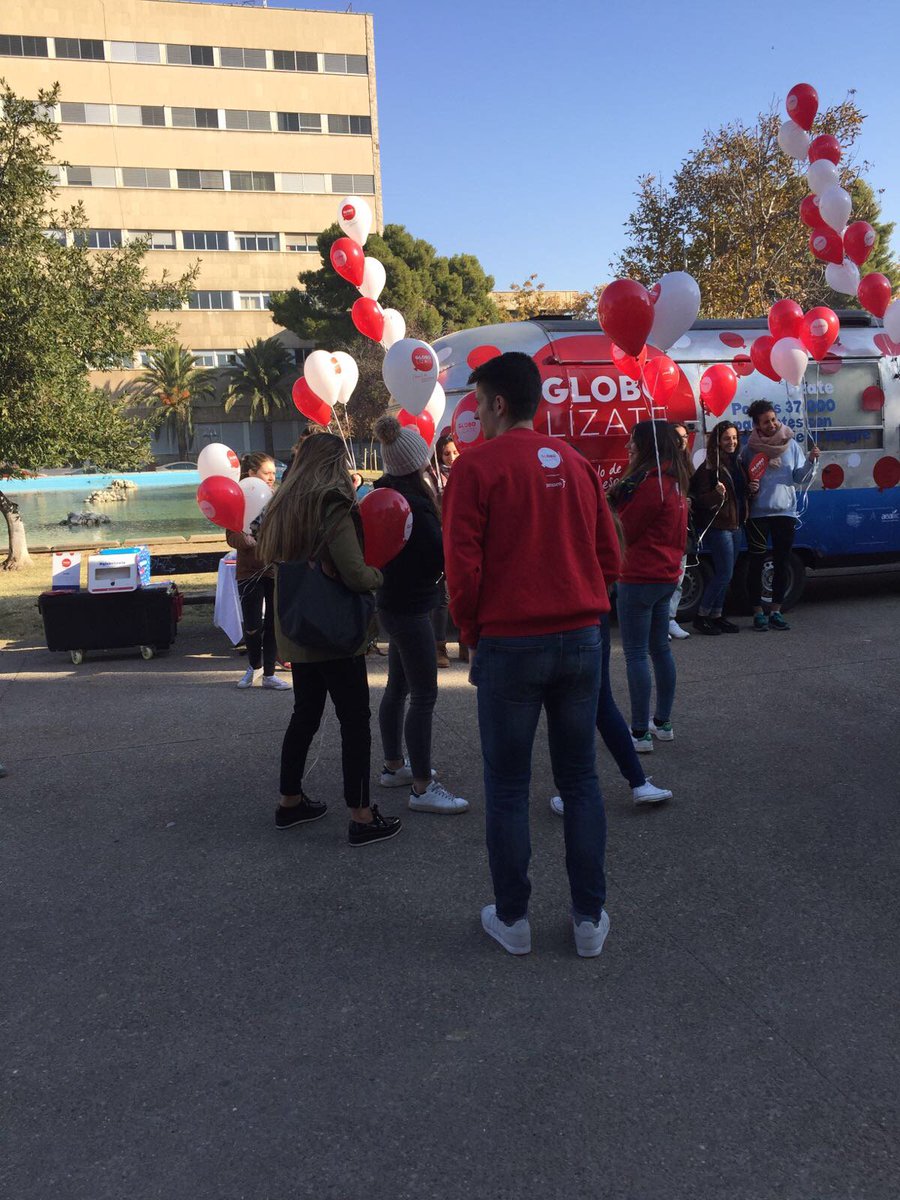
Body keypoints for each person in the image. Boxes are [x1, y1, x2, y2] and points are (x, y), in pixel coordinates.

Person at [443, 351, 621, 958]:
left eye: (478, 402)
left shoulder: (475, 469)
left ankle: (514, 918)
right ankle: (588, 920)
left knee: (508, 786)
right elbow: (610, 557)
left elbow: (462, 566)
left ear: (497, 402)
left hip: (511, 642)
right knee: (581, 780)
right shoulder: (575, 463)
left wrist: (471, 630)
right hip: (581, 637)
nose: (475, 414)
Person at [256, 433, 401, 846]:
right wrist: (379, 576)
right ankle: (360, 813)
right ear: (334, 463)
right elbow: (355, 572)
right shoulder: (332, 506)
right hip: (335, 632)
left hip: (298, 629)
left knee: (305, 715)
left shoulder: (283, 504)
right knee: (354, 720)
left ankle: (289, 801)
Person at [372, 416, 467, 814]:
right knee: (423, 693)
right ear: (418, 464)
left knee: (398, 686)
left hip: (394, 602)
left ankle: (395, 765)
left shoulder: (383, 493)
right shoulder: (414, 502)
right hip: (412, 606)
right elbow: (436, 553)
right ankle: (423, 787)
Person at [609, 420, 689, 752]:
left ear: (646, 447)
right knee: (659, 649)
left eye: (633, 441)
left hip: (640, 576)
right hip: (666, 576)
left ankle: (640, 731)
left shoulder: (650, 484)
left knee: (637, 653)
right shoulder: (675, 481)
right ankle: (663, 722)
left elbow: (626, 530)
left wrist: (610, 508)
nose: (628, 447)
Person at [549, 604, 674, 814]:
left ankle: (571, 792)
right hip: (590, 610)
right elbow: (610, 571)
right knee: (601, 701)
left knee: (561, 706)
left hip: (546, 618)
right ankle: (638, 781)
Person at [740, 399, 819, 631]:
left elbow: (799, 477)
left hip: (785, 512)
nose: (772, 425)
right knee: (755, 563)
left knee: (782, 563)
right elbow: (743, 481)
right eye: (766, 422)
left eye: (774, 419)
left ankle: (775, 611)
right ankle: (757, 613)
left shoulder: (790, 445)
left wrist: (812, 462)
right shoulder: (749, 449)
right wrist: (749, 486)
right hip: (757, 515)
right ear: (757, 425)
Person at [225, 453, 290, 690]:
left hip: (273, 568)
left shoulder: (278, 498)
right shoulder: (237, 499)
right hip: (248, 571)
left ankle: (270, 673)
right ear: (251, 474)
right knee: (253, 624)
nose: (272, 477)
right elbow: (231, 536)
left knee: (274, 622)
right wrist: (245, 541)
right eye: (267, 473)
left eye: (274, 473)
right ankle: (254, 666)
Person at [689, 421, 755, 635]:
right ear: (717, 440)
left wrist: (751, 489)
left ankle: (717, 615)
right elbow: (700, 500)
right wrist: (716, 494)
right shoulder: (709, 467)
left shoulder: (738, 462)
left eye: (734, 438)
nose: (732, 442)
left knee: (726, 572)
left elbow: (739, 494)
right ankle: (701, 616)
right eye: (727, 438)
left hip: (737, 525)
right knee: (724, 573)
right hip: (719, 526)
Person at [429, 433, 461, 668]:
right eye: (446, 453)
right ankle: (439, 646)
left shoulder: (466, 471)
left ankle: (466, 641)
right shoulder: (431, 476)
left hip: (463, 537)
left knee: (464, 591)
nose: (451, 457)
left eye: (454, 452)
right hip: (441, 539)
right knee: (442, 597)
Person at [667, 422, 692, 640]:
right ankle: (659, 622)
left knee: (678, 578)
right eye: (676, 437)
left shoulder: (689, 464)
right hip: (666, 530)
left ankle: (670, 619)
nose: (681, 441)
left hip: (683, 530)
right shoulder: (663, 465)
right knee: (663, 579)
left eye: (684, 436)